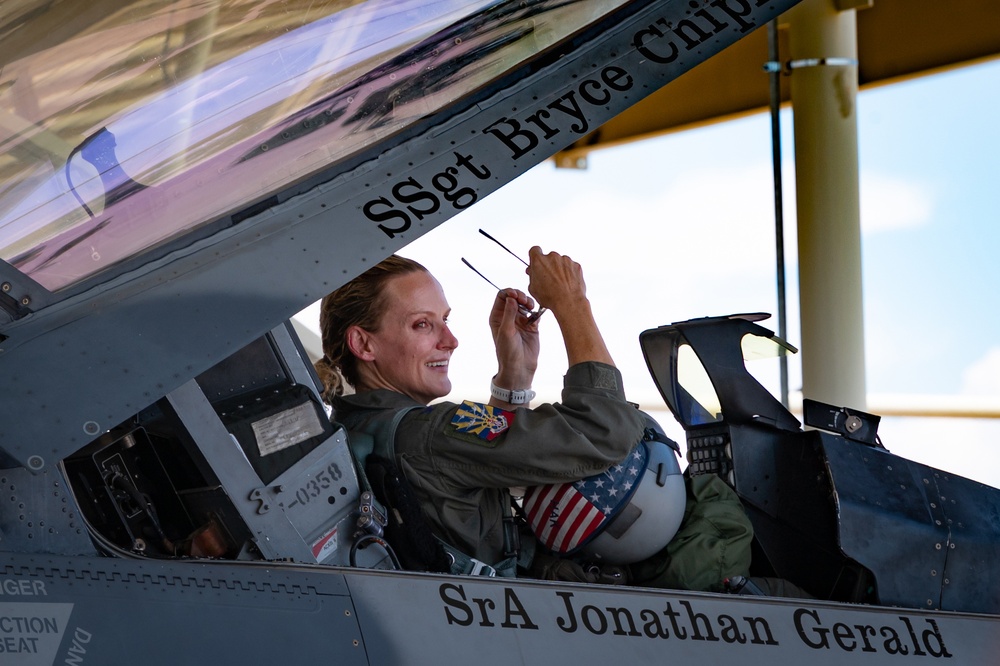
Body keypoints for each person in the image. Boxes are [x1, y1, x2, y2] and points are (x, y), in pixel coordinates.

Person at [314, 248, 648, 575]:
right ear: (364, 344)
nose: (451, 340)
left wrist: (514, 375)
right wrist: (572, 303)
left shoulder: (361, 425)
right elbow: (602, 430)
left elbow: (474, 463)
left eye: (444, 320)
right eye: (422, 325)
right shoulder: (427, 433)